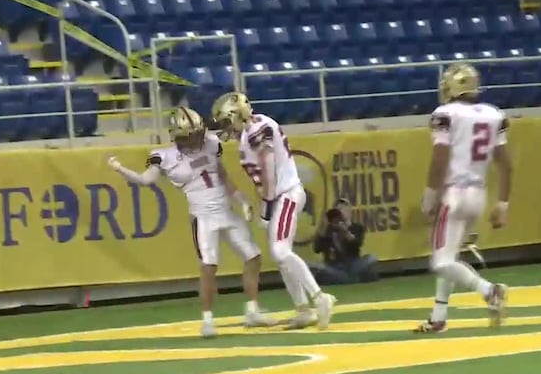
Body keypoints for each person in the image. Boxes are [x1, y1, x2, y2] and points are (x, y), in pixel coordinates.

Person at [107, 107, 273, 338]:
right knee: (209, 267)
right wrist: (120, 169)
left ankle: (253, 310)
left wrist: (241, 199)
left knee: (253, 257)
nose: (195, 140)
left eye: (197, 134)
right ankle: (207, 318)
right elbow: (145, 181)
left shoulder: (212, 142)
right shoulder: (165, 157)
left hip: (226, 211)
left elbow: (222, 174)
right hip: (203, 217)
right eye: (189, 136)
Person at [211, 92, 337, 330]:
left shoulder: (258, 129)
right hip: (280, 196)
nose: (225, 128)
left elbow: (268, 169)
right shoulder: (251, 131)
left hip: (286, 194)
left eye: (227, 121)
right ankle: (303, 309)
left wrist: (266, 206)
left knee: (279, 251)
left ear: (237, 115)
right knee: (281, 255)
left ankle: (321, 298)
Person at [415, 62, 512, 334]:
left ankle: (489, 290)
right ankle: (438, 317)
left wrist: (430, 194)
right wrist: (503, 203)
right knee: (451, 256)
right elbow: (505, 164)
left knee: (441, 262)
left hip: (454, 194)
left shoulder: (445, 114)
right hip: (478, 195)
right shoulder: (493, 114)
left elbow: (439, 159)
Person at [310, 198, 379, 285]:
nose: (341, 212)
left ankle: (344, 279)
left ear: (349, 211)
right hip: (334, 266)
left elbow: (357, 244)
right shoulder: (327, 230)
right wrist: (323, 229)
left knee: (371, 258)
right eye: (338, 210)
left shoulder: (357, 227)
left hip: (352, 265)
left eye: (343, 209)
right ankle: (349, 279)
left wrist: (345, 231)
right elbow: (316, 249)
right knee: (315, 266)